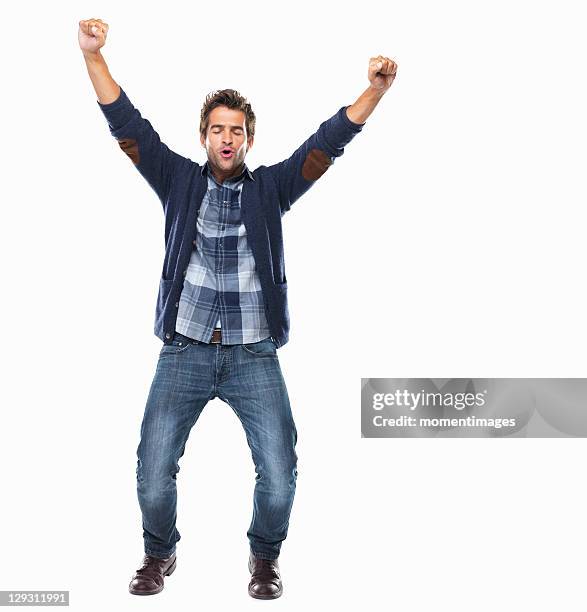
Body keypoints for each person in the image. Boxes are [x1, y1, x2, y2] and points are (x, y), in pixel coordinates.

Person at [78, 16, 397, 599]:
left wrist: (373, 90)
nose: (228, 138)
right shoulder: (177, 179)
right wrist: (92, 54)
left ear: (249, 139)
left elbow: (325, 146)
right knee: (152, 472)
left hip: (254, 353)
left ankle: (264, 559)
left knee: (279, 475)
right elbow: (126, 126)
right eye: (218, 129)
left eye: (238, 130)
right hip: (186, 350)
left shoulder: (270, 189)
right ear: (204, 136)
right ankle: (159, 552)